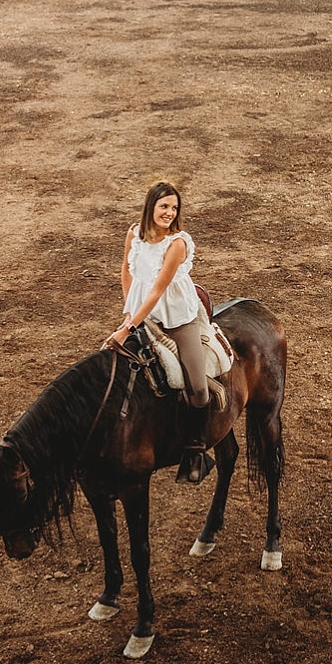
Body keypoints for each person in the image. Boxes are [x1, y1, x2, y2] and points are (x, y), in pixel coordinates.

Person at [108, 181, 215, 484]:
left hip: (177, 318)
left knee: (198, 388)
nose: (169, 212)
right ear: (151, 207)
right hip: (143, 314)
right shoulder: (134, 234)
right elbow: (127, 272)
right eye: (164, 206)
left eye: (174, 208)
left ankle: (196, 451)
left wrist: (128, 328)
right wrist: (129, 313)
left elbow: (156, 291)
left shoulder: (177, 244)